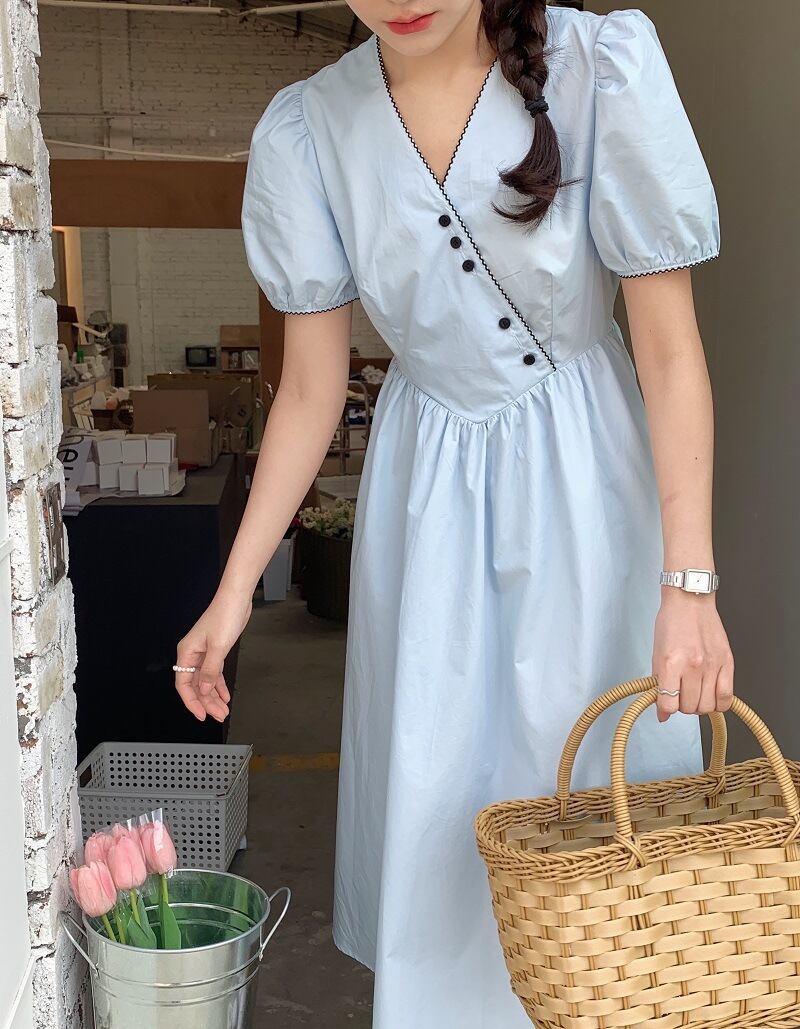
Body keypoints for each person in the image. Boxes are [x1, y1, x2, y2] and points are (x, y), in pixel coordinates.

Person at [174, 1, 735, 1025]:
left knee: (601, 809)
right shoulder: (308, 128)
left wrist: (688, 582)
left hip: (590, 487)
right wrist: (234, 588)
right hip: (427, 500)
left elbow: (668, 350)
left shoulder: (599, 67)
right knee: (437, 811)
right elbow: (310, 390)